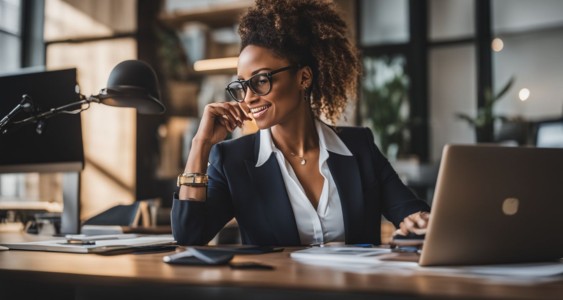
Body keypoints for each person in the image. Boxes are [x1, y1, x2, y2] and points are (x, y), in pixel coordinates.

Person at [172, 0, 430, 246]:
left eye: (261, 80)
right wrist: (200, 143)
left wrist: (419, 222)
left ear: (303, 77)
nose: (249, 97)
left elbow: (411, 213)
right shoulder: (233, 160)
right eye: (242, 84)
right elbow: (189, 235)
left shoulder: (359, 146)